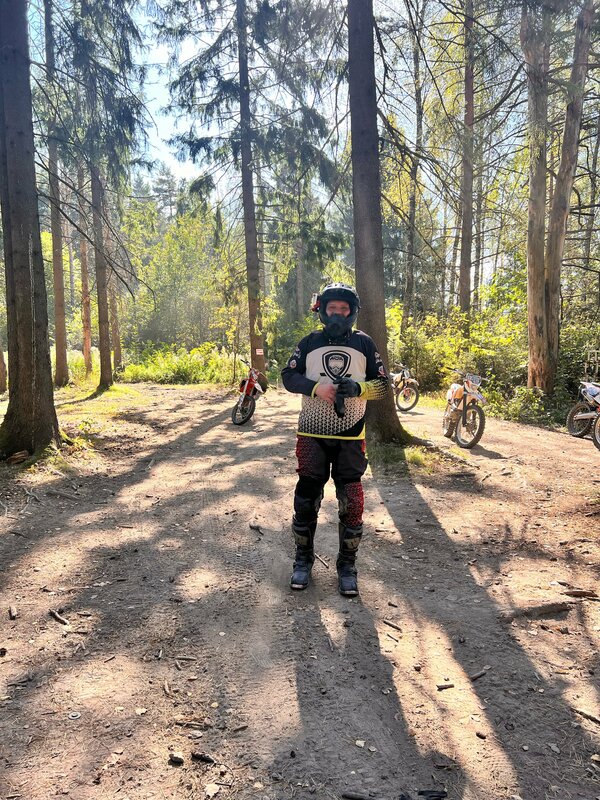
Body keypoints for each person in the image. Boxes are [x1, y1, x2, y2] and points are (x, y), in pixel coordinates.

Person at [281, 282, 389, 596]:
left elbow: (383, 386)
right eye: (333, 309)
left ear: (353, 312)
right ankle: (303, 560)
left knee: (352, 501)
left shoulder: (364, 343)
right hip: (311, 434)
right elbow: (288, 376)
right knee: (306, 498)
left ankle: (347, 565)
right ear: (322, 310)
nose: (338, 315)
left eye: (344, 309)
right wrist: (316, 388)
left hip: (351, 436)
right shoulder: (309, 342)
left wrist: (359, 389)